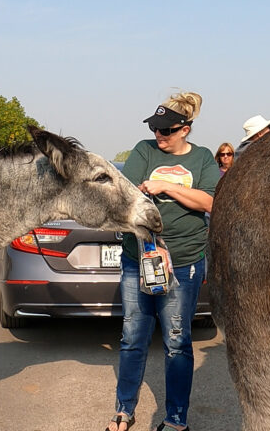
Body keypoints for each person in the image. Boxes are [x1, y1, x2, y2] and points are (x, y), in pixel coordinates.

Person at [105, 92, 222, 431]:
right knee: (132, 338)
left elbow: (211, 202)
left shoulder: (201, 159)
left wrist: (165, 186)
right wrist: (162, 190)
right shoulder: (144, 150)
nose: (159, 136)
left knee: (176, 342)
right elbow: (130, 193)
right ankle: (123, 411)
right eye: (156, 129)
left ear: (185, 129)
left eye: (167, 131)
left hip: (184, 265)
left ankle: (175, 419)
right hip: (138, 260)